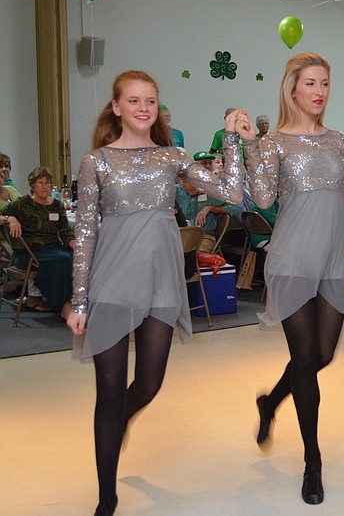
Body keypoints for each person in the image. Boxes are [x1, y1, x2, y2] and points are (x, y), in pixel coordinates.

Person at [66, 70, 243, 516]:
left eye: (150, 101)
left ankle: (121, 420)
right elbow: (86, 231)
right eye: (134, 100)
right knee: (108, 391)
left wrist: (232, 141)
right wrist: (80, 299)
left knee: (148, 383)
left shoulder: (172, 157)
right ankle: (107, 496)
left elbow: (232, 191)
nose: (143, 108)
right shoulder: (97, 162)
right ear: (117, 107)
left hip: (162, 281)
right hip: (111, 280)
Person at [239, 52, 344, 506]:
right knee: (306, 359)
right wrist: (252, 145)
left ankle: (271, 402)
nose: (319, 92)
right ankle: (313, 461)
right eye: (310, 83)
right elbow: (264, 196)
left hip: (333, 259)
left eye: (325, 83)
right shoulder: (274, 143)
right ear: (293, 88)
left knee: (321, 356)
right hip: (291, 259)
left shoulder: (337, 142)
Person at [4, 167, 74, 316]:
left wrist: (72, 242)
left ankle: (69, 301)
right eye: (40, 183)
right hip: (29, 251)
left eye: (47, 183)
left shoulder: (57, 205)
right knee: (62, 259)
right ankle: (62, 304)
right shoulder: (22, 204)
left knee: (75, 255)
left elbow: (65, 230)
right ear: (33, 186)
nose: (44, 186)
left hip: (53, 247)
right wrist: (10, 218)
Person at [175, 170, 240, 252]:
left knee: (196, 256)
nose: (190, 185)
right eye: (185, 182)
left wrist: (210, 208)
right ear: (179, 182)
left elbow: (235, 207)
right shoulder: (175, 191)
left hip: (204, 236)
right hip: (179, 236)